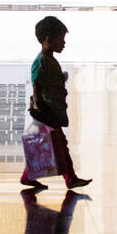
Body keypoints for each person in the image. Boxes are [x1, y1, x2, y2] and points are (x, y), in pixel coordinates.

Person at [21, 15, 91, 191]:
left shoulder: (49, 60)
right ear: (49, 39)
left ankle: (28, 176)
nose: (64, 43)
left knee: (43, 145)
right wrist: (39, 108)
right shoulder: (42, 62)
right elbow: (37, 86)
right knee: (58, 146)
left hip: (51, 111)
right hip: (47, 112)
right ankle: (71, 179)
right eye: (61, 39)